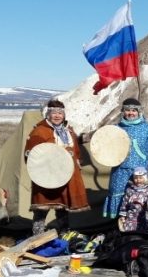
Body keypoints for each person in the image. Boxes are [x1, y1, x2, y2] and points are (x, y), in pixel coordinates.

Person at [24, 100, 89, 235]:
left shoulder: (68, 131)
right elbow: (31, 156)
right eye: (54, 113)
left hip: (66, 174)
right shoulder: (39, 131)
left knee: (63, 207)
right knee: (42, 208)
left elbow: (76, 149)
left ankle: (63, 234)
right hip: (47, 175)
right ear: (48, 114)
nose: (57, 116)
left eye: (60, 113)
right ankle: (38, 237)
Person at [103, 98, 148, 219]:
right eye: (127, 110)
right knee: (120, 201)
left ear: (139, 112)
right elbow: (108, 150)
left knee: (140, 201)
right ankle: (119, 229)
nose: (131, 113)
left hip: (141, 171)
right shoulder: (116, 129)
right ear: (123, 112)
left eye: (134, 110)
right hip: (120, 171)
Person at [117, 167, 148, 232]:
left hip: (144, 216)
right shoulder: (130, 190)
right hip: (131, 216)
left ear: (145, 178)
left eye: (140, 178)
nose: (138, 180)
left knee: (143, 234)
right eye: (136, 178)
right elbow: (124, 203)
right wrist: (123, 215)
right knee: (130, 233)